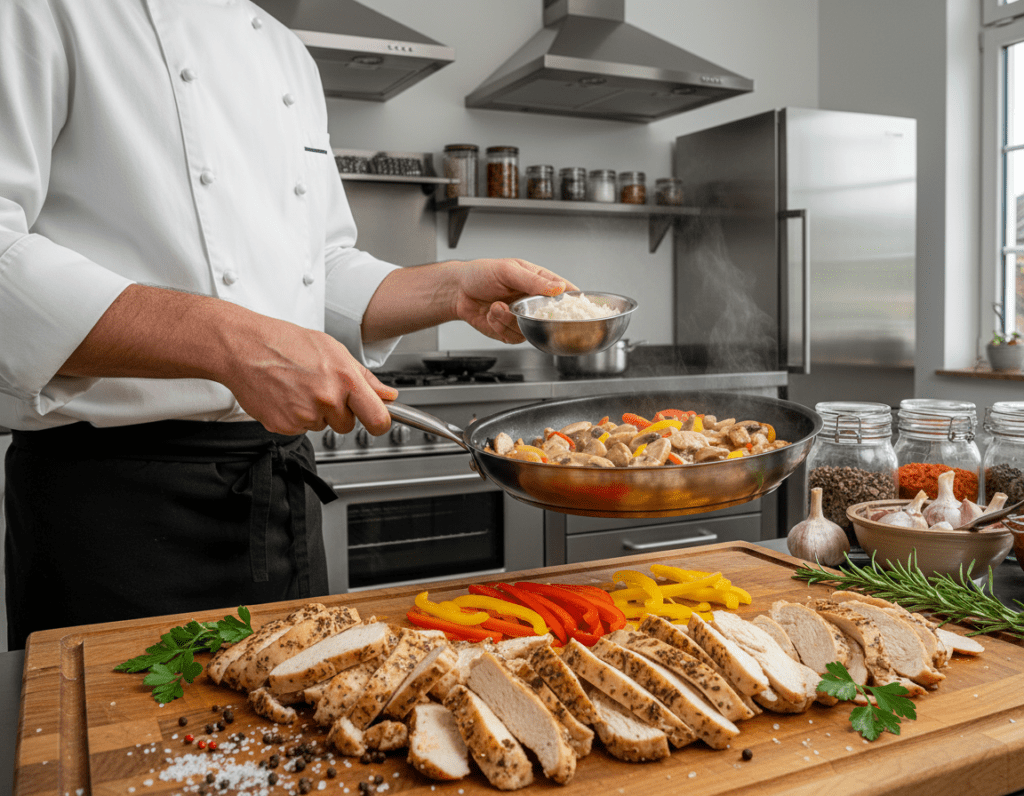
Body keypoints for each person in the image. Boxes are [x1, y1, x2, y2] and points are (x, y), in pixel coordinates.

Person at [0, 0, 575, 649]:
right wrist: (234, 343)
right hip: (116, 513)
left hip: (279, 498)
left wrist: (454, 287)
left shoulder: (285, 53)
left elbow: (315, 266)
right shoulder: (40, 9)